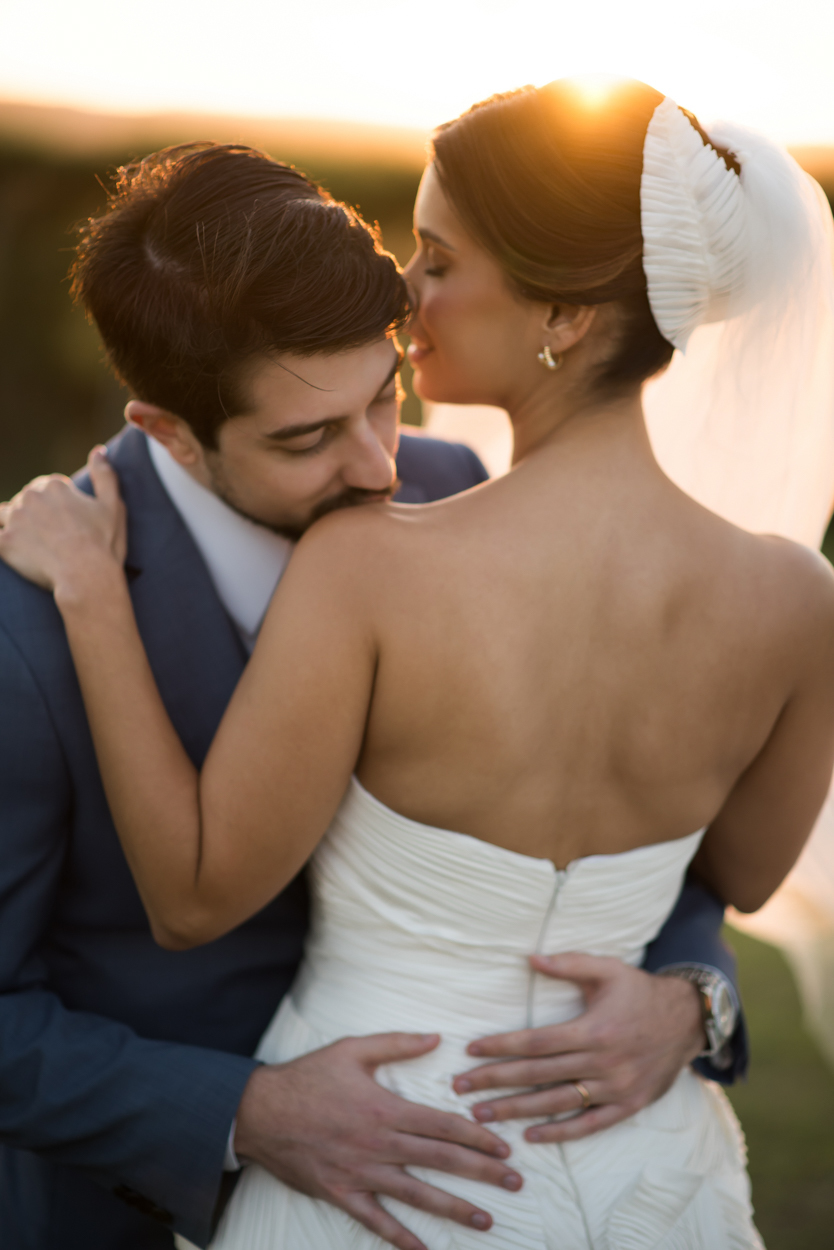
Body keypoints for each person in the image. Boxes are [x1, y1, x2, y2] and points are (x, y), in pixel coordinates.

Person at [0, 125, 769, 1250]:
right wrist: (240, 1111)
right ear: (168, 429)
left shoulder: (453, 482)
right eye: (310, 435)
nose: (379, 465)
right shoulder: (25, 631)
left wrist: (688, 990)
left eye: (388, 394)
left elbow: (599, 791)